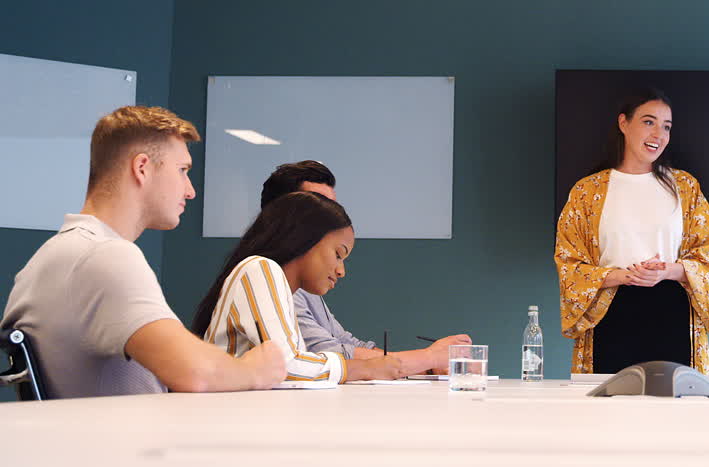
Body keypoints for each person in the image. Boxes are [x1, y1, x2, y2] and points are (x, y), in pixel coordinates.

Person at [2, 106, 285, 398]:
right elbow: (195, 372)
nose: (190, 191)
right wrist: (257, 369)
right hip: (117, 442)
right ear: (142, 168)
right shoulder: (104, 255)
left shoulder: (47, 260)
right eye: (182, 170)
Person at [555, 89, 709, 374]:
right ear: (623, 123)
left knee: (675, 410)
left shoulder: (685, 187)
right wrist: (624, 275)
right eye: (648, 122)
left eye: (666, 126)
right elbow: (569, 262)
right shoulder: (587, 191)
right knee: (609, 410)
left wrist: (666, 271)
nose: (659, 133)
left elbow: (708, 257)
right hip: (610, 315)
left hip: (673, 314)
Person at [261, 161, 469, 374]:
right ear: (286, 216)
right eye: (318, 207)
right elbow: (319, 355)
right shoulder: (266, 279)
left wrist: (425, 366)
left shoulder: (301, 286)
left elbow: (342, 342)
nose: (341, 271)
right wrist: (427, 359)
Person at [192, 191, 403, 384]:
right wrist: (364, 368)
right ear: (304, 238)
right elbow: (286, 365)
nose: (341, 271)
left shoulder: (278, 286)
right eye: (338, 255)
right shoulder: (260, 268)